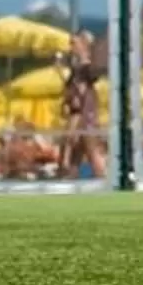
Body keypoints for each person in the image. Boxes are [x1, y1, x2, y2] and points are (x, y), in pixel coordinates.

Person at [57, 33, 107, 180]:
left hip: (85, 118)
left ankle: (103, 179)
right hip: (79, 117)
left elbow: (91, 75)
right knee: (75, 153)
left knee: (90, 150)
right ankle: (70, 178)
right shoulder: (77, 70)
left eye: (74, 43)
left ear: (83, 44)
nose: (70, 47)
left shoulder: (87, 68)